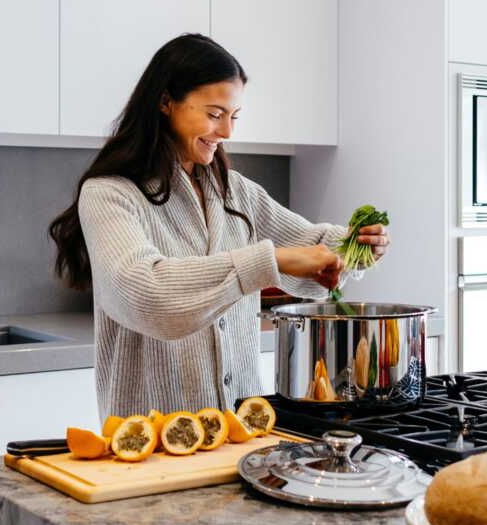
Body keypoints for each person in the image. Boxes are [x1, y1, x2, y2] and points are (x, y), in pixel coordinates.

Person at [49, 34, 389, 417]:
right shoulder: (110, 194)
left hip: (244, 431)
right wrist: (268, 261)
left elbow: (310, 247)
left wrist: (356, 246)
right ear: (165, 102)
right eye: (214, 114)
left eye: (233, 116)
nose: (227, 132)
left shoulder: (236, 191)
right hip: (153, 439)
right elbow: (145, 294)